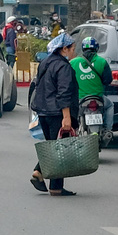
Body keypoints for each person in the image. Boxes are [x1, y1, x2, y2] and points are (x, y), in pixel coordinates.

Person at [29, 32, 81, 195]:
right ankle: (49, 180)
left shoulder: (45, 63)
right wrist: (66, 117)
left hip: (44, 112)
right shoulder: (64, 67)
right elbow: (64, 92)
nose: (74, 52)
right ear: (64, 49)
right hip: (57, 113)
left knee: (54, 147)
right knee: (60, 149)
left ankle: (48, 179)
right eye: (72, 49)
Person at [71, 35, 113, 108]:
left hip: (80, 99)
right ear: (96, 48)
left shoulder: (73, 62)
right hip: (98, 98)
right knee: (110, 105)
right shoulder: (102, 62)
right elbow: (108, 80)